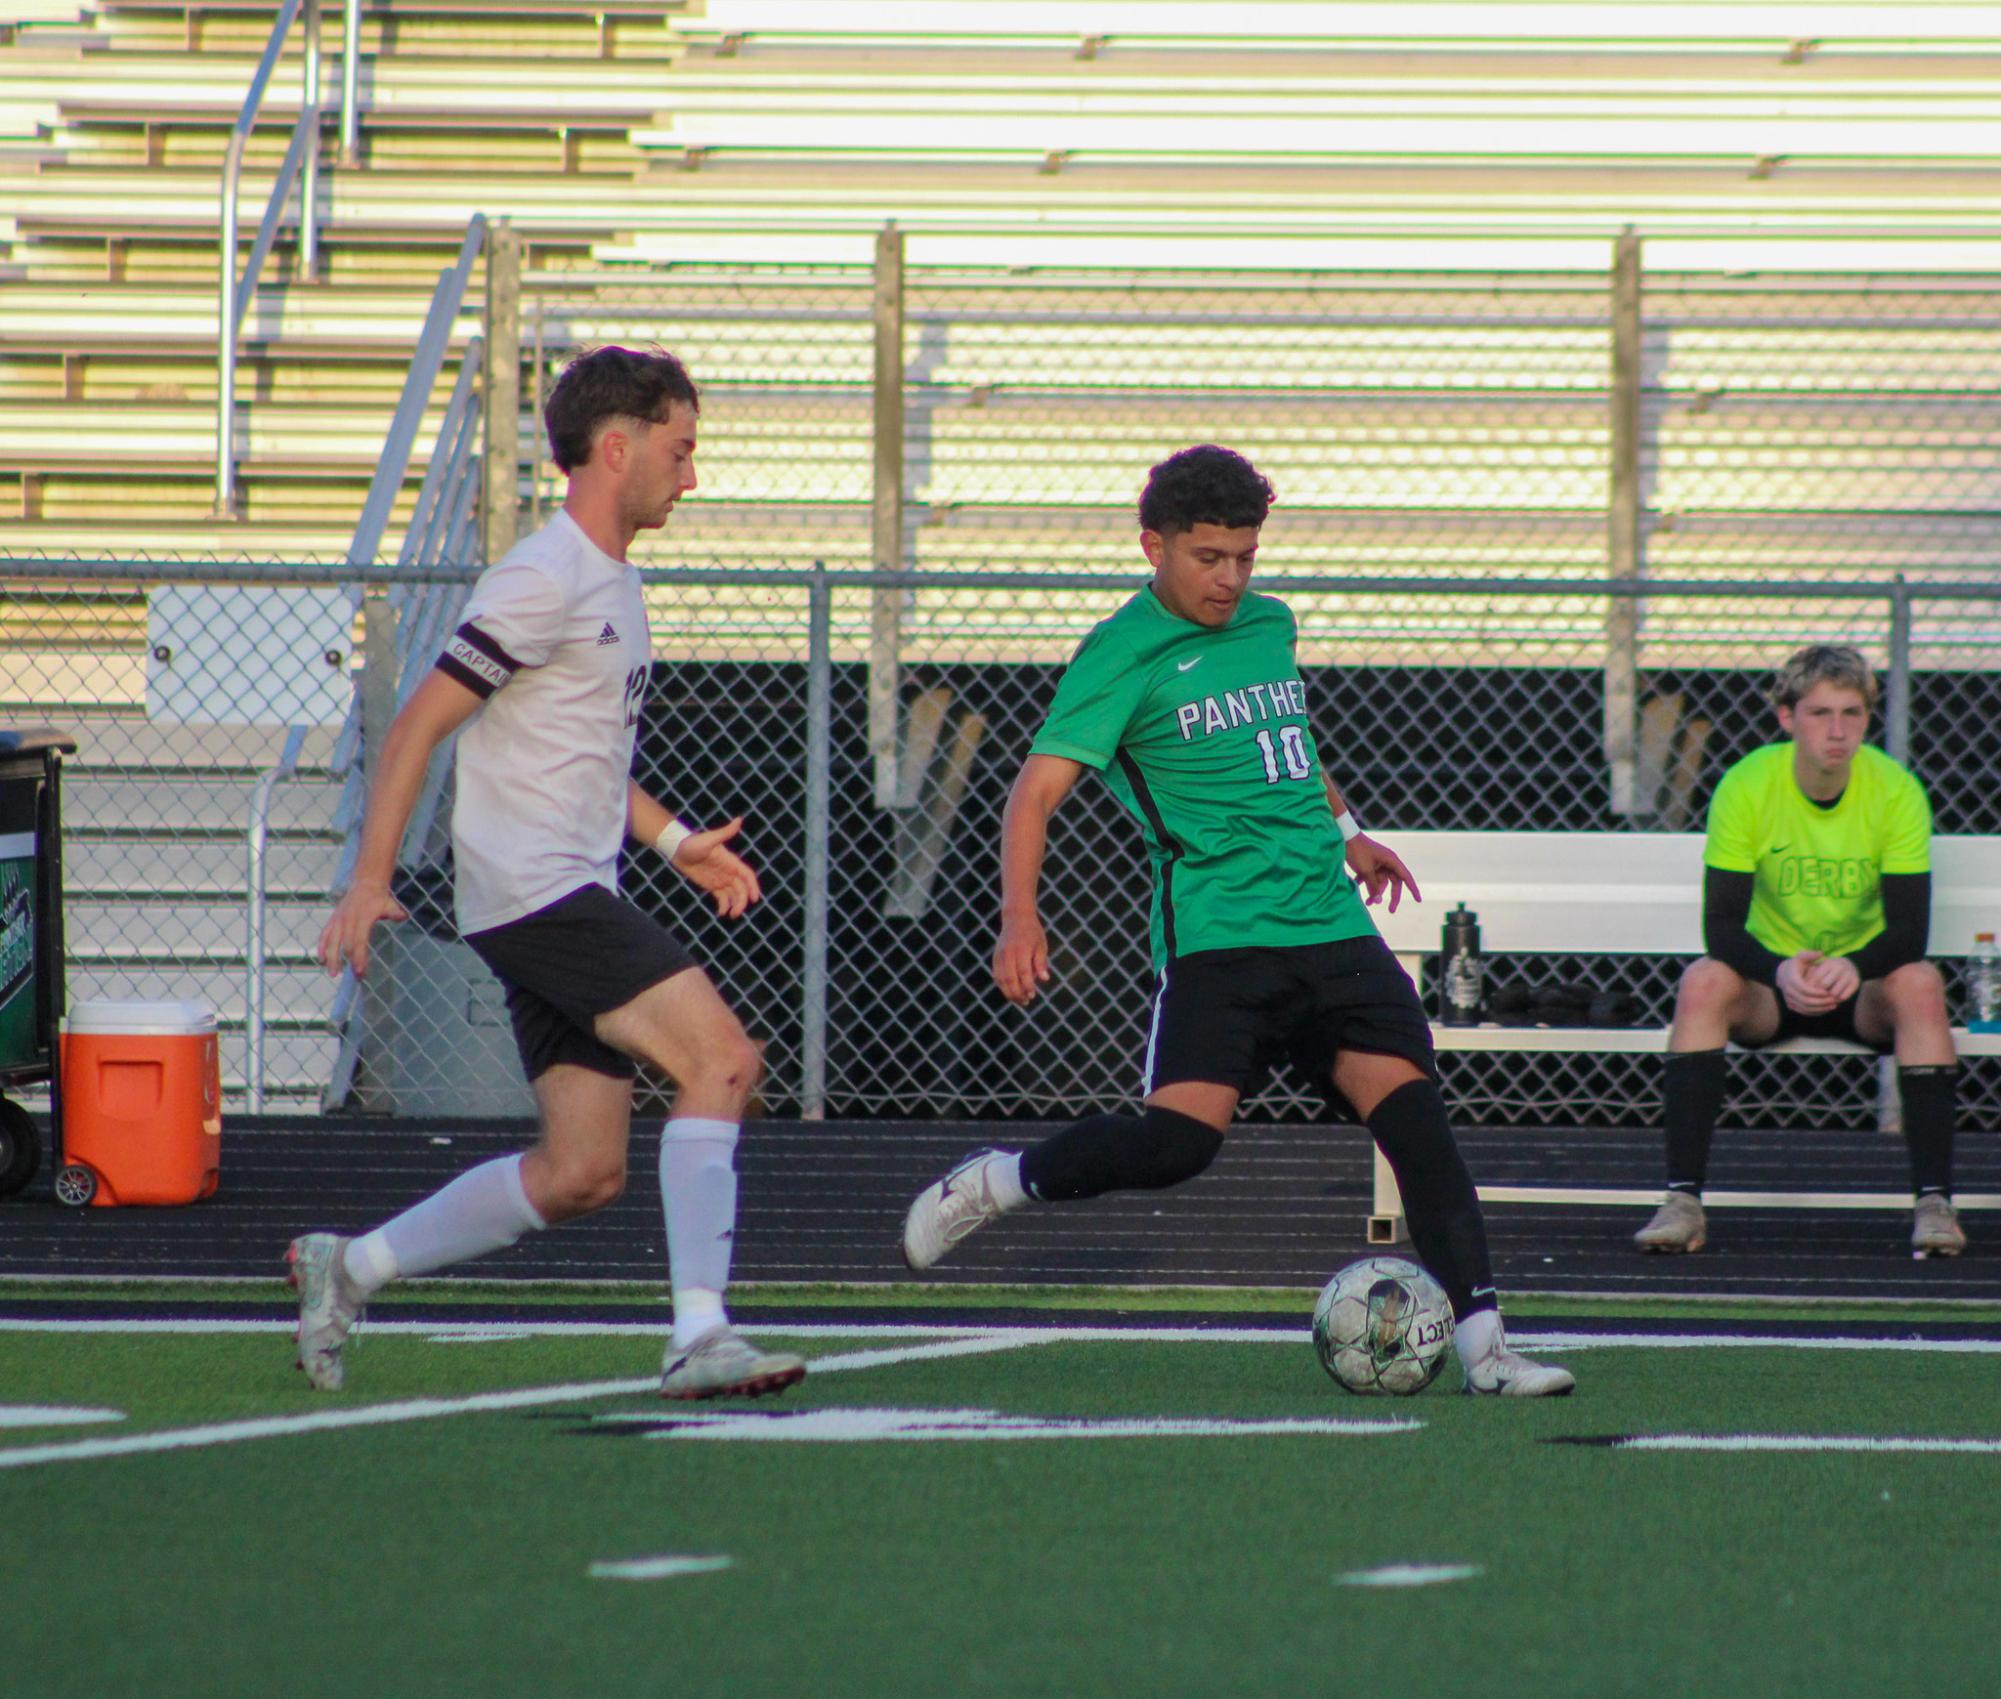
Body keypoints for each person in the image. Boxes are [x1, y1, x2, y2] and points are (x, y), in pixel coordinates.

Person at [899, 444, 1574, 1396]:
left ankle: (1486, 1349)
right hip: (1222, 939)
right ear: (1154, 546)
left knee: (1419, 1127)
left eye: (1244, 557)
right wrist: (1019, 918)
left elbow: (1287, 747)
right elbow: (1033, 794)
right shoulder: (1119, 653)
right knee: (1177, 1147)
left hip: (1330, 927)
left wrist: (1349, 833)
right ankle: (1001, 1180)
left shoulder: (1269, 624)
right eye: (1208, 557)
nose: (1228, 578)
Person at [294, 345, 806, 1399]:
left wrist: (675, 845)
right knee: (723, 1061)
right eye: (681, 448)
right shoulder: (542, 576)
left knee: (583, 1173)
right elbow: (420, 726)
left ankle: (346, 1267)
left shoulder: (611, 579)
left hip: (567, 892)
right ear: (616, 448)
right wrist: (368, 877)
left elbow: (580, 753)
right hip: (535, 894)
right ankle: (700, 1336)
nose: (691, 474)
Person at [1635, 644, 1963, 1258]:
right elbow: (1723, 927)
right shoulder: (1747, 783)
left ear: (1869, 718)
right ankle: (1681, 1202)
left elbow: (1909, 931)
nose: (1837, 731)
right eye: (1819, 713)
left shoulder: (1896, 790)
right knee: (1704, 980)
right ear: (1786, 718)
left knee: (1919, 981)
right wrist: (1780, 969)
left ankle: (1935, 1205)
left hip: (1862, 990)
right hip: (1772, 989)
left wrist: (1854, 965)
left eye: (1852, 713)